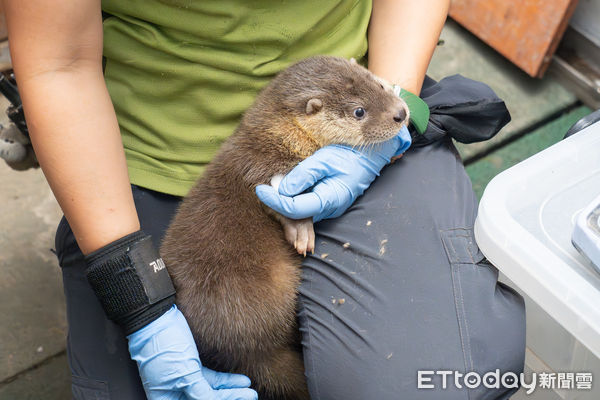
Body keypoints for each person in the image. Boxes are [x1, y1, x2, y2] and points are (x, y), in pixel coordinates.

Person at [4, 0, 525, 399]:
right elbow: (57, 64)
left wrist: (393, 118)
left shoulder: (362, 110)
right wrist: (136, 298)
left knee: (435, 378)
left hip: (359, 93)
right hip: (139, 158)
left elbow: (387, 102)